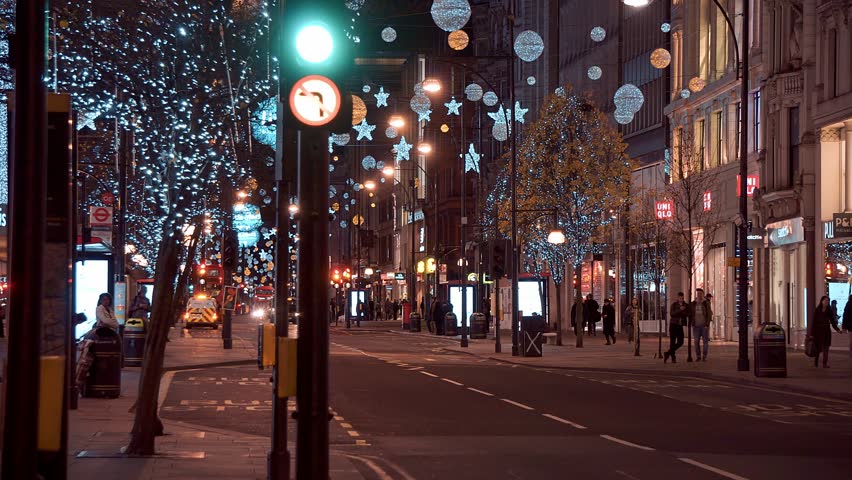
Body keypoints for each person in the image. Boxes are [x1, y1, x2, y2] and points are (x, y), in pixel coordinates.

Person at [810, 295, 841, 368]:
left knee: (826, 348)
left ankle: (824, 363)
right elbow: (813, 323)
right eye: (825, 300)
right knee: (818, 348)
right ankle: (816, 362)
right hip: (818, 332)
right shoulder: (817, 310)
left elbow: (833, 322)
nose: (827, 302)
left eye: (828, 301)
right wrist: (812, 334)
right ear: (822, 301)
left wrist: (837, 330)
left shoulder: (829, 311)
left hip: (826, 332)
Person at [665, 292, 690, 363]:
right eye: (680, 298)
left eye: (682, 298)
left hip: (680, 325)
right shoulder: (674, 305)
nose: (681, 299)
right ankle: (673, 357)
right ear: (677, 298)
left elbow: (687, 314)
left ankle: (668, 353)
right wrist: (680, 310)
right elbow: (672, 314)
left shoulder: (686, 305)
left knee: (680, 342)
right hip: (673, 324)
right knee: (672, 341)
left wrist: (682, 311)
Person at [691, 288, 713, 361]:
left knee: (705, 342)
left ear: (703, 294)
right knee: (696, 341)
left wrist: (707, 324)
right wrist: (692, 323)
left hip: (704, 326)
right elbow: (691, 313)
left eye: (700, 293)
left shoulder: (706, 303)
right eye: (698, 293)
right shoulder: (693, 303)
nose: (699, 295)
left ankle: (704, 356)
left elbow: (709, 314)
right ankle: (698, 356)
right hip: (696, 326)